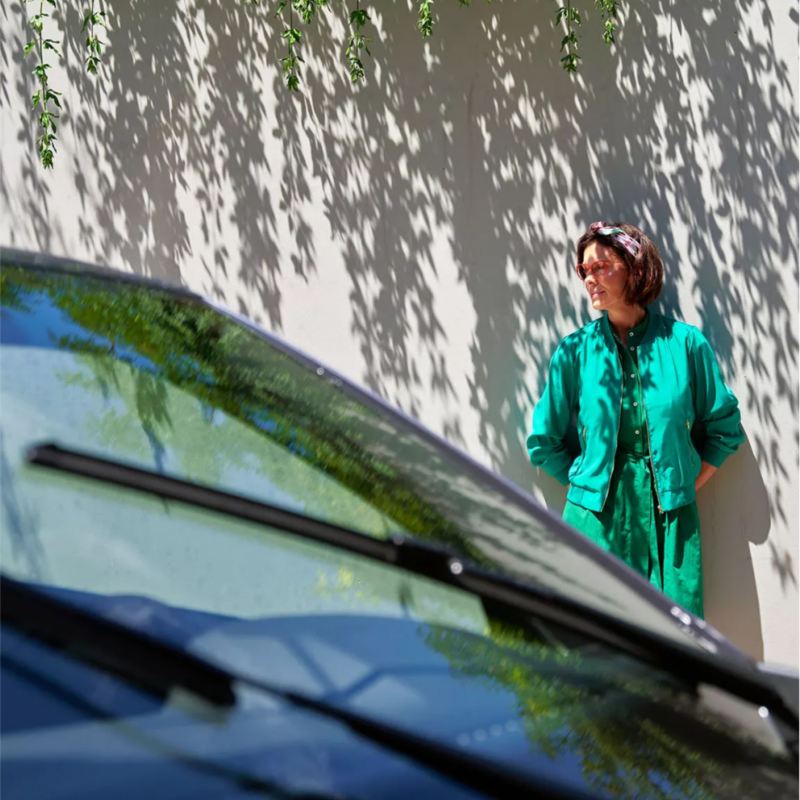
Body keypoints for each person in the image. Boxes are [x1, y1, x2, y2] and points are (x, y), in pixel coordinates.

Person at [527, 222, 744, 618]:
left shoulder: (685, 344)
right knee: (597, 639)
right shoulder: (575, 351)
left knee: (675, 641)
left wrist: (687, 481)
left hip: (671, 522)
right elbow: (544, 442)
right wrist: (586, 485)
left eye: (601, 266)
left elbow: (726, 429)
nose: (590, 278)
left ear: (633, 267)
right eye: (584, 270)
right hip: (596, 521)